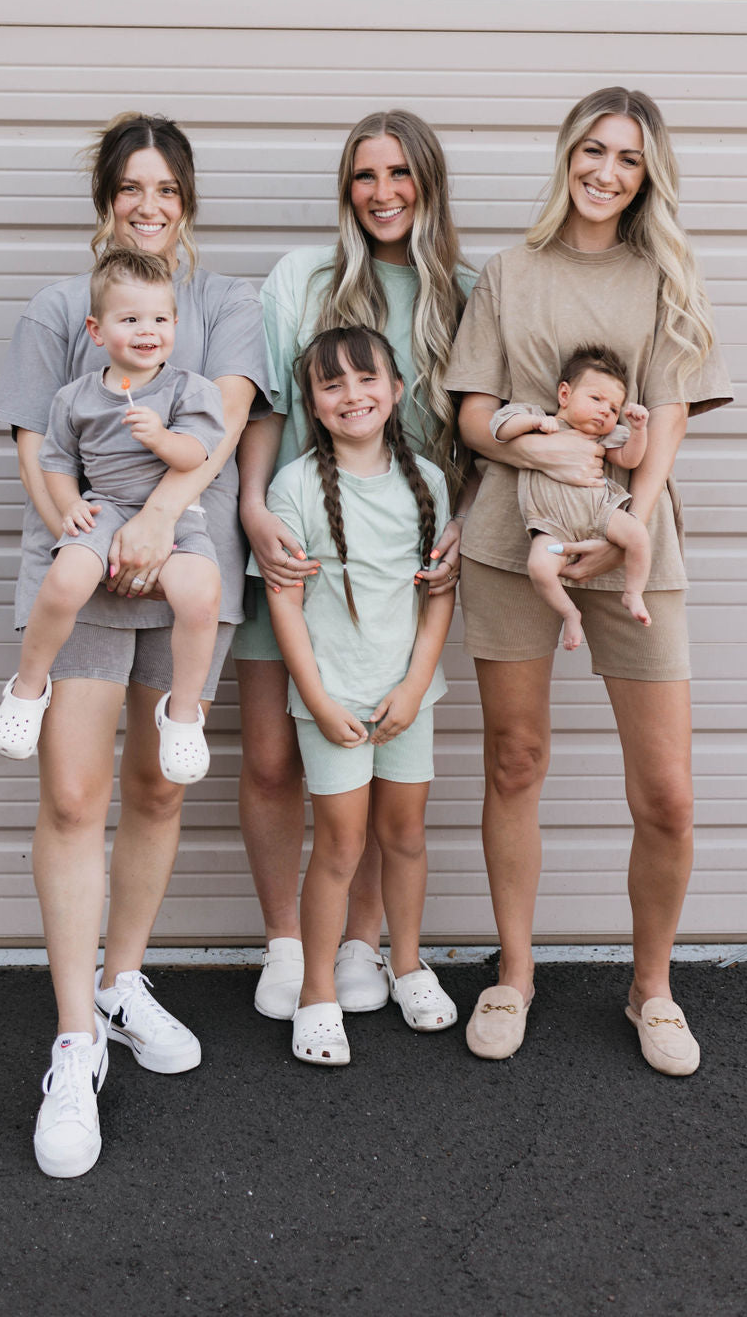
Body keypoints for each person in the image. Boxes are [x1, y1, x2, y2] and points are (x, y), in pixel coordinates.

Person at [0, 113, 269, 1177]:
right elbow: (35, 441)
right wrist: (91, 531)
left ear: (186, 199)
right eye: (128, 189)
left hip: (184, 559)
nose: (147, 205)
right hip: (86, 565)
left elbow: (228, 420)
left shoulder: (226, 303)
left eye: (165, 189)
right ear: (104, 199)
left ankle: (122, 979)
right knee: (70, 796)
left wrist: (159, 522)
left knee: (158, 788)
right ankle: (73, 1041)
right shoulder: (65, 308)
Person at [445, 87, 732, 1075]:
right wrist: (537, 445)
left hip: (633, 545)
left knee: (667, 796)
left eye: (627, 158)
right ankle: (514, 972)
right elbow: (472, 415)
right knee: (514, 761)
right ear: (567, 153)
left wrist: (629, 526)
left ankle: (651, 985)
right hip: (511, 539)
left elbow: (670, 417)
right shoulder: (509, 273)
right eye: (593, 150)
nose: (606, 172)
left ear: (647, 174)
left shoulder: (664, 279)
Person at [234, 110, 477, 1024]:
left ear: (429, 182)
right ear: (347, 187)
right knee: (268, 759)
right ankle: (286, 944)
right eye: (365, 175)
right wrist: (255, 508)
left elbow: (481, 428)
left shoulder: (462, 289)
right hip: (297, 554)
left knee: (379, 754)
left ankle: (364, 941)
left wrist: (468, 519)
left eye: (400, 174)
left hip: (401, 572)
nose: (383, 193)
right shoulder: (303, 279)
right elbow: (261, 408)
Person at [262, 326, 457, 1065]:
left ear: (398, 388)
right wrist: (315, 698)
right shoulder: (297, 486)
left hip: (406, 698)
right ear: (312, 403)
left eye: (366, 379)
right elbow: (285, 604)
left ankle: (404, 965)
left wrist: (413, 686)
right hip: (333, 700)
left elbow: (440, 595)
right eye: (331, 384)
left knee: (404, 835)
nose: (352, 395)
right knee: (340, 844)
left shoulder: (429, 483)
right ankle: (317, 992)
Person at [0, 247, 227, 781]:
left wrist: (162, 438)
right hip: (105, 509)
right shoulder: (76, 398)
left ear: (176, 325)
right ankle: (28, 688)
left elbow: (198, 455)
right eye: (131, 319)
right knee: (66, 580)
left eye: (160, 319)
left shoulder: (189, 389)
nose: (148, 330)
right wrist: (71, 502)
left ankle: (182, 714)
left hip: (174, 517)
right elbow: (55, 461)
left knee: (202, 592)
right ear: (97, 331)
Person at [491, 344, 651, 651]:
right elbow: (499, 429)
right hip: (551, 525)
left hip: (600, 513)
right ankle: (569, 613)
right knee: (539, 566)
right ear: (564, 394)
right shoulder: (537, 421)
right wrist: (534, 424)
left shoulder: (604, 436)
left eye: (614, 408)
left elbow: (630, 459)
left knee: (638, 535)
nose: (606, 410)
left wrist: (639, 430)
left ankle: (633, 592)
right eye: (596, 399)